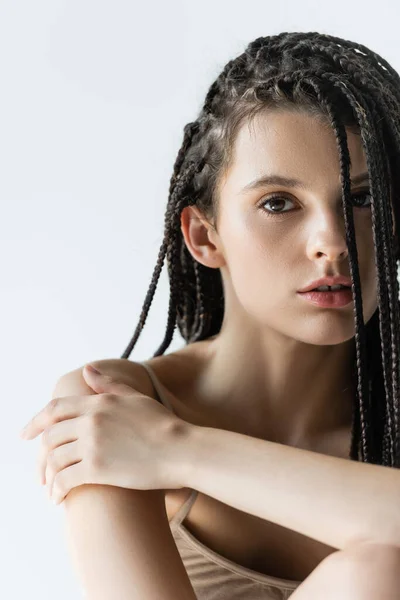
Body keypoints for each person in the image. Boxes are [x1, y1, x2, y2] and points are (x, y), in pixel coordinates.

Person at [55, 31, 400, 599]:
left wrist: (178, 450)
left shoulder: (150, 432)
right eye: (278, 203)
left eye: (362, 200)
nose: (332, 242)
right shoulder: (111, 409)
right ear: (203, 235)